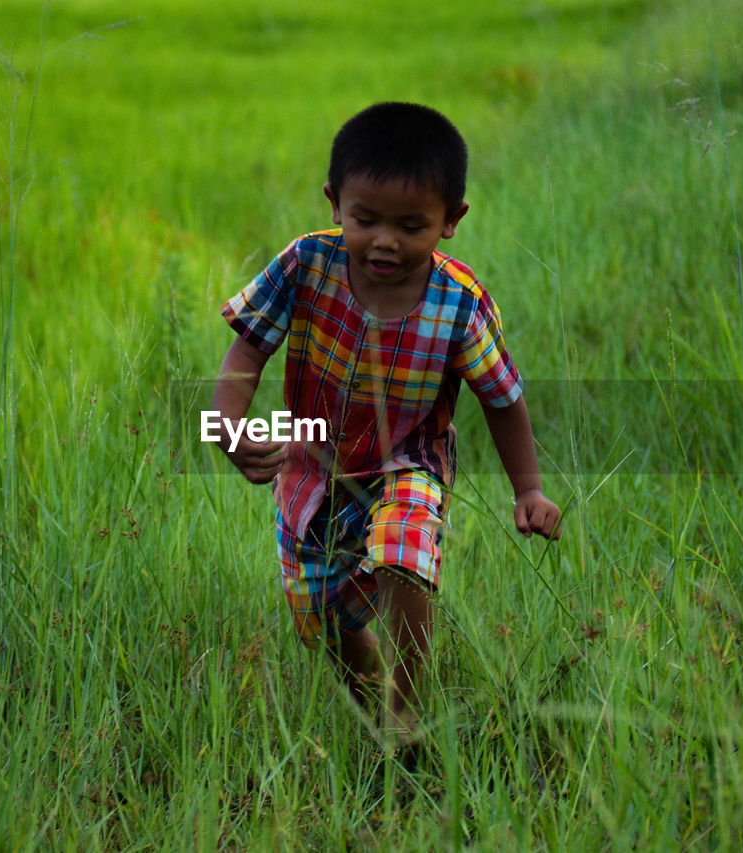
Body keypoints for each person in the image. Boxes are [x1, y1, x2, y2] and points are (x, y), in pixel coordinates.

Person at [211, 102, 561, 747]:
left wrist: (528, 490)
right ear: (335, 204)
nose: (384, 242)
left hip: (409, 460)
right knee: (317, 614)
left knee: (402, 549)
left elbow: (503, 399)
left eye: (411, 225)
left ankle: (405, 709)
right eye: (365, 219)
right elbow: (246, 352)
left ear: (451, 221)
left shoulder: (459, 305)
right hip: (312, 460)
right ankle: (371, 689)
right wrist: (227, 430)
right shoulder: (305, 264)